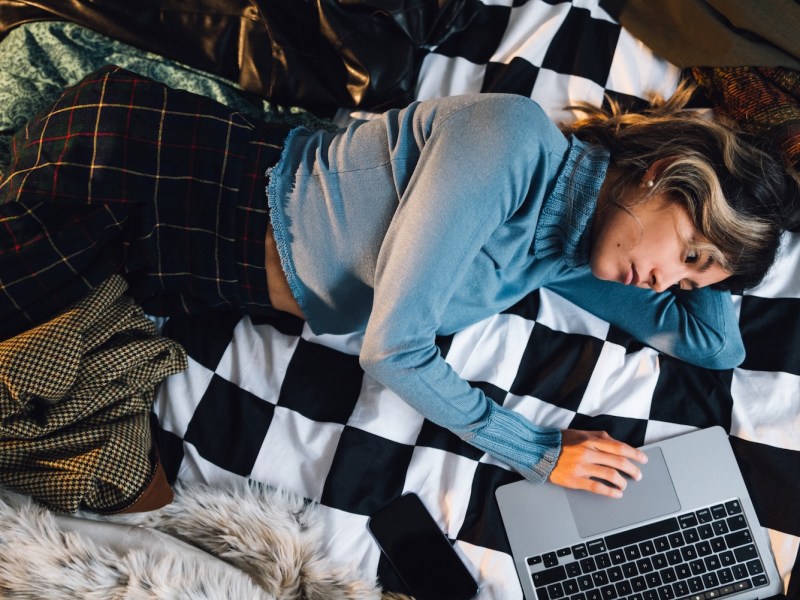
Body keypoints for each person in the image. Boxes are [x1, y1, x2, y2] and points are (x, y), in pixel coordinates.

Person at [2, 66, 798, 497]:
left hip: (177, 269)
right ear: (666, 175)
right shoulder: (512, 139)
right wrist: (537, 451)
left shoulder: (580, 252)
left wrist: (733, 240)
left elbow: (712, 348)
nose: (664, 282)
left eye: (689, 280)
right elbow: (393, 351)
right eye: (687, 253)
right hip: (148, 170)